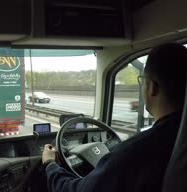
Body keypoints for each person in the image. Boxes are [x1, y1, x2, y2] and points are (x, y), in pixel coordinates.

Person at [41, 43, 187, 192]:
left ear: (152, 88)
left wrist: (50, 164)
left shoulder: (136, 151)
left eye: (142, 81)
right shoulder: (176, 138)